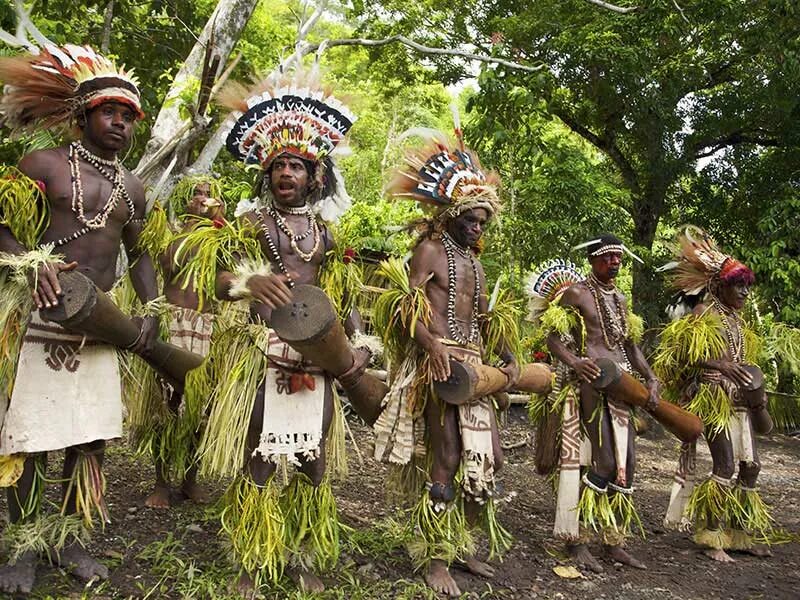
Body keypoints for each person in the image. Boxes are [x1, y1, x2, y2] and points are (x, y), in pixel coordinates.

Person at [197, 61, 364, 594]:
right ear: (265, 175)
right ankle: (252, 558)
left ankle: (301, 552)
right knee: (262, 456)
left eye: (297, 166)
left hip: (320, 357)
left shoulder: (329, 235)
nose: (286, 174)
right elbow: (212, 280)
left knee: (313, 459)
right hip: (264, 352)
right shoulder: (250, 224)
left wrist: (359, 345)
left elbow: (346, 299)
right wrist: (249, 281)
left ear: (316, 175)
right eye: (278, 167)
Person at [0, 44, 158, 593]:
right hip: (41, 317)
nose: (120, 123)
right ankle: (21, 544)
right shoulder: (40, 165)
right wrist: (31, 262)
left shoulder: (133, 189)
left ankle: (70, 538)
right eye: (110, 112)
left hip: (102, 324)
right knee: (34, 435)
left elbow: (139, 256)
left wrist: (152, 311)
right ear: (82, 115)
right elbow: (3, 227)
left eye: (129, 117)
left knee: (89, 440)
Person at [372, 125, 520, 597]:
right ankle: (436, 558)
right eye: (471, 220)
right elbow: (403, 307)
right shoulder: (430, 250)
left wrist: (507, 355)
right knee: (447, 456)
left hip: (474, 369)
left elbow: (482, 318)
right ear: (452, 214)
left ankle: (463, 543)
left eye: (483, 222)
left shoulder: (475, 263)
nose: (477, 228)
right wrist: (431, 345)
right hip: (437, 368)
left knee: (491, 458)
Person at [530, 235, 656, 572]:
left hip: (623, 387)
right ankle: (579, 541)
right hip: (588, 385)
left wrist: (650, 378)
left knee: (625, 465)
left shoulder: (621, 298)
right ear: (593, 259)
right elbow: (551, 337)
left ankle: (614, 541)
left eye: (618, 257)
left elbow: (630, 346)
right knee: (598, 462)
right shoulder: (577, 293)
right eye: (608, 257)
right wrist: (574, 361)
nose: (615, 262)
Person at [656, 226, 775, 562]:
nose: (744, 293)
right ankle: (711, 536)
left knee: (751, 466)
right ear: (721, 285)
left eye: (746, 287)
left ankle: (739, 534)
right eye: (738, 286)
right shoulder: (703, 312)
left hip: (740, 402)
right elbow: (682, 353)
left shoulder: (738, 321)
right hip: (713, 397)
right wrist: (721, 367)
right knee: (724, 465)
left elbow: (741, 361)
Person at [130, 176, 226, 509]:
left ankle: (190, 480)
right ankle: (161, 482)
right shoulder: (168, 233)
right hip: (172, 322)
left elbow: (233, 274)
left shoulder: (222, 236)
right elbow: (162, 262)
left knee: (198, 407)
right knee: (164, 406)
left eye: (208, 195)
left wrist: (221, 231)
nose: (202, 199)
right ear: (183, 199)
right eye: (196, 194)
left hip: (207, 326)